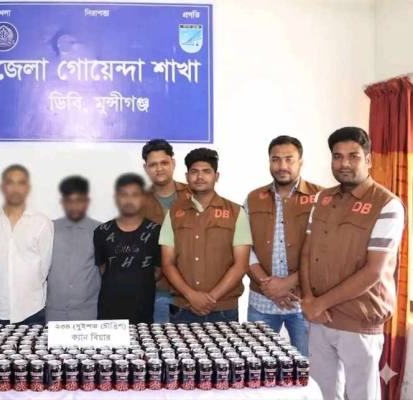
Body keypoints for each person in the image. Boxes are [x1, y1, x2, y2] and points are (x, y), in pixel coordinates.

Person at [300, 127, 405, 400]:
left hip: (359, 319)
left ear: (368, 160)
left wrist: (319, 304)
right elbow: (307, 252)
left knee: (361, 395)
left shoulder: (387, 204)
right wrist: (309, 300)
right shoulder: (322, 198)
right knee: (321, 393)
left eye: (353, 156)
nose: (344, 163)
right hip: (320, 318)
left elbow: (374, 271)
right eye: (337, 156)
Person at [245, 136, 321, 355]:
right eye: (276, 159)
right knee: (258, 366)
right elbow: (244, 247)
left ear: (301, 161)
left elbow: (325, 250)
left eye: (289, 159)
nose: (282, 166)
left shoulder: (321, 197)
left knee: (308, 366)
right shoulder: (253, 198)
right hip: (262, 300)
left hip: (304, 301)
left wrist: (288, 282)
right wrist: (269, 287)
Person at [160, 148, 251, 323]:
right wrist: (191, 295)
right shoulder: (173, 214)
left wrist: (210, 298)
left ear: (216, 176)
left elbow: (241, 265)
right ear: (187, 177)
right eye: (194, 172)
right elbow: (167, 263)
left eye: (206, 171)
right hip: (182, 307)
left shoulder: (236, 213)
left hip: (223, 309)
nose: (200, 177)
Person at [0, 164, 54, 325]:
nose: (15, 189)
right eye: (10, 182)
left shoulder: (42, 223)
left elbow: (44, 268)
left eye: (21, 183)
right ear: (3, 187)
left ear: (27, 188)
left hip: (32, 310)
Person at [94, 173, 161, 324]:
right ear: (116, 198)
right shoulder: (102, 232)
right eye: (124, 195)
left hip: (143, 309)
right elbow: (103, 268)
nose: (129, 200)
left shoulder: (155, 231)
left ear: (143, 198)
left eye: (135, 195)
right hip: (109, 310)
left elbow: (158, 271)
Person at [141, 139, 188, 323]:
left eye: (164, 163)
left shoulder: (193, 195)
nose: (159, 169)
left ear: (173, 163)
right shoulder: (137, 203)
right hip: (155, 292)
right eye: (153, 164)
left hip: (191, 292)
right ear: (145, 168)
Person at [46, 176, 101, 321]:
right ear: (63, 202)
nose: (74, 206)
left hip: (89, 314)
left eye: (79, 200)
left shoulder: (100, 231)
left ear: (87, 201)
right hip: (54, 313)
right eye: (69, 201)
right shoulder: (49, 229)